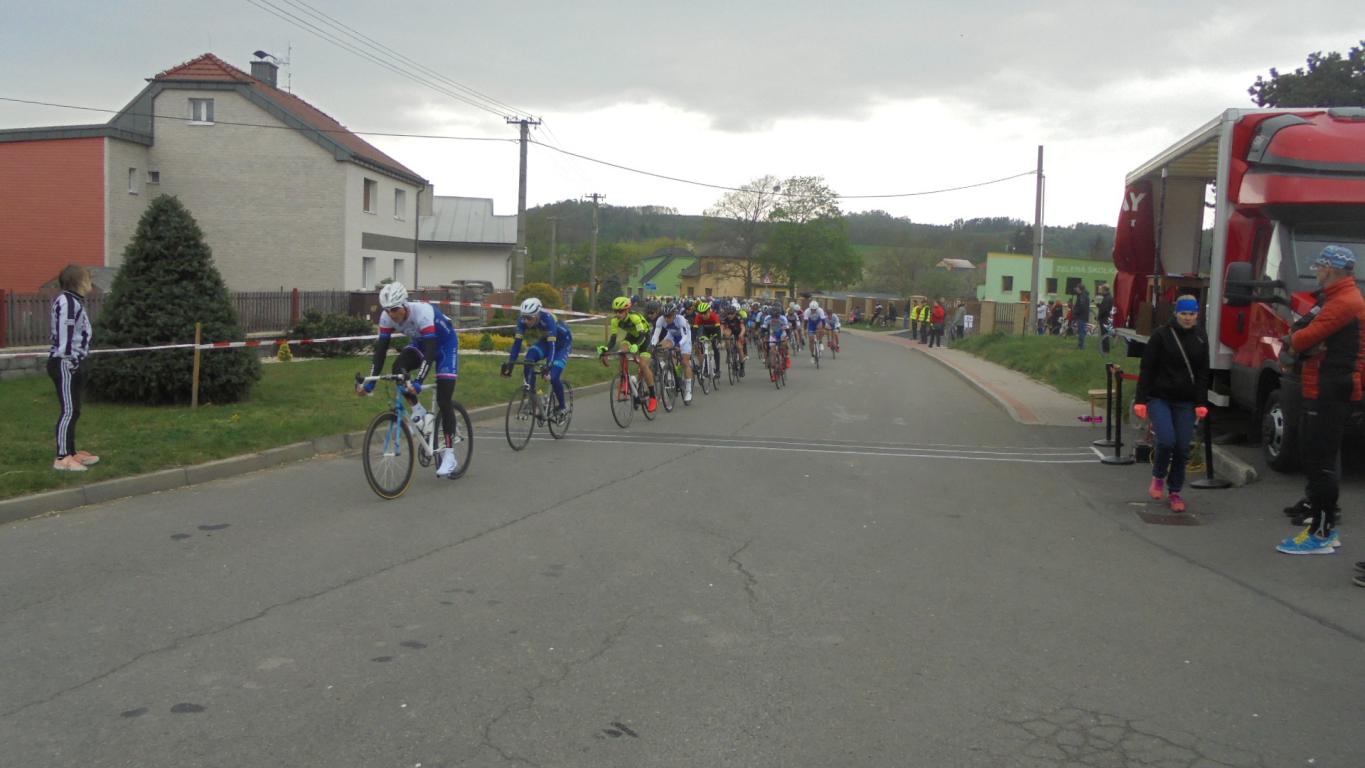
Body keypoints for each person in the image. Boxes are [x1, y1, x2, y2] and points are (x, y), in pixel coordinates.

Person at [1275, 245, 1364, 554]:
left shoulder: (1344, 301)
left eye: (1319, 267)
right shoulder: (1336, 297)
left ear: (1330, 269)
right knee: (1315, 459)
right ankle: (1321, 528)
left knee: (1321, 463)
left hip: (1330, 387)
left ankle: (1322, 533)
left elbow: (1304, 338)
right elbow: (1304, 333)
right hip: (1323, 385)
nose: (1316, 272)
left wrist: (1299, 342)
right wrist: (1303, 341)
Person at [359, 282, 462, 477]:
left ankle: (450, 455)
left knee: (444, 399)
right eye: (387, 310)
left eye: (395, 309)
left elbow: (431, 352)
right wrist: (370, 383)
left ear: (404, 305)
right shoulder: (386, 317)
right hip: (421, 344)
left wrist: (419, 381)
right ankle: (418, 411)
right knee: (398, 369)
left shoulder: (422, 312)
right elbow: (381, 351)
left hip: (445, 346)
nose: (391, 314)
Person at [1133, 294, 1209, 513]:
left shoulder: (1200, 337)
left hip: (1186, 400)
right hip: (1160, 397)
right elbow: (1147, 368)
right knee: (1167, 441)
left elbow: (1203, 372)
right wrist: (1141, 400)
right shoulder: (1161, 335)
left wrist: (1201, 402)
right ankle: (1158, 477)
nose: (1187, 317)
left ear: (1197, 315)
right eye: (1183, 313)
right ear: (1176, 313)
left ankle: (1175, 491)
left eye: (1192, 313)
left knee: (1182, 447)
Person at [49, 264, 98, 472]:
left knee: (74, 409)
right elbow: (65, 333)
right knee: (69, 410)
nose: (90, 282)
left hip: (72, 361)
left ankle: (71, 451)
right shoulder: (67, 302)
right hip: (65, 363)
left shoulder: (75, 302)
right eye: (87, 278)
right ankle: (62, 457)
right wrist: (70, 360)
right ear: (78, 281)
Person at [501, 297, 573, 421]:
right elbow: (517, 344)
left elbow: (552, 347)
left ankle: (562, 407)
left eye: (529, 318)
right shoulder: (523, 321)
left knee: (553, 376)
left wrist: (548, 366)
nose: (525, 321)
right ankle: (533, 398)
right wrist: (510, 365)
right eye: (524, 317)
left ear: (538, 315)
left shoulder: (548, 319)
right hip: (546, 341)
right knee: (529, 359)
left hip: (562, 344)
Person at [598, 296, 657, 413]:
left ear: (627, 310)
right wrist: (606, 349)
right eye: (615, 311)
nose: (618, 314)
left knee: (643, 365)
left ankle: (653, 396)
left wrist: (637, 346)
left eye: (620, 311)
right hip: (631, 337)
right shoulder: (614, 321)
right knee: (622, 351)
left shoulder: (634, 318)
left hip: (645, 337)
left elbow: (642, 335)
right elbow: (613, 339)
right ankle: (624, 379)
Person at [651, 302, 694, 403]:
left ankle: (688, 390)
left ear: (674, 314)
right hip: (671, 335)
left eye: (669, 316)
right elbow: (655, 336)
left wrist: (679, 345)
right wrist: (653, 345)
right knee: (660, 347)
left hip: (684, 337)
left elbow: (684, 336)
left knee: (685, 362)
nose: (667, 319)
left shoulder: (681, 320)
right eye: (665, 316)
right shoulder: (660, 320)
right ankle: (668, 369)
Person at [1096, 284, 1115, 354]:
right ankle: (1105, 349)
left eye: (1101, 290)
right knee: (1104, 334)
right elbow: (1104, 308)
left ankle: (1106, 350)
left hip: (1104, 318)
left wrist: (1099, 316)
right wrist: (1099, 306)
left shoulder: (1107, 298)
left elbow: (1105, 309)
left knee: (1105, 334)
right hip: (1105, 318)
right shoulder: (1108, 297)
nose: (1100, 291)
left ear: (1104, 290)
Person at [1074, 284, 1091, 348]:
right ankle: (1080, 344)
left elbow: (1082, 307)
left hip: (1082, 316)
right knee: (1081, 330)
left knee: (1081, 331)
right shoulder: (1083, 295)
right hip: (1083, 316)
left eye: (1077, 288)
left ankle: (1081, 345)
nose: (1076, 289)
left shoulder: (1082, 297)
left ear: (1079, 289)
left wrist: (1075, 311)